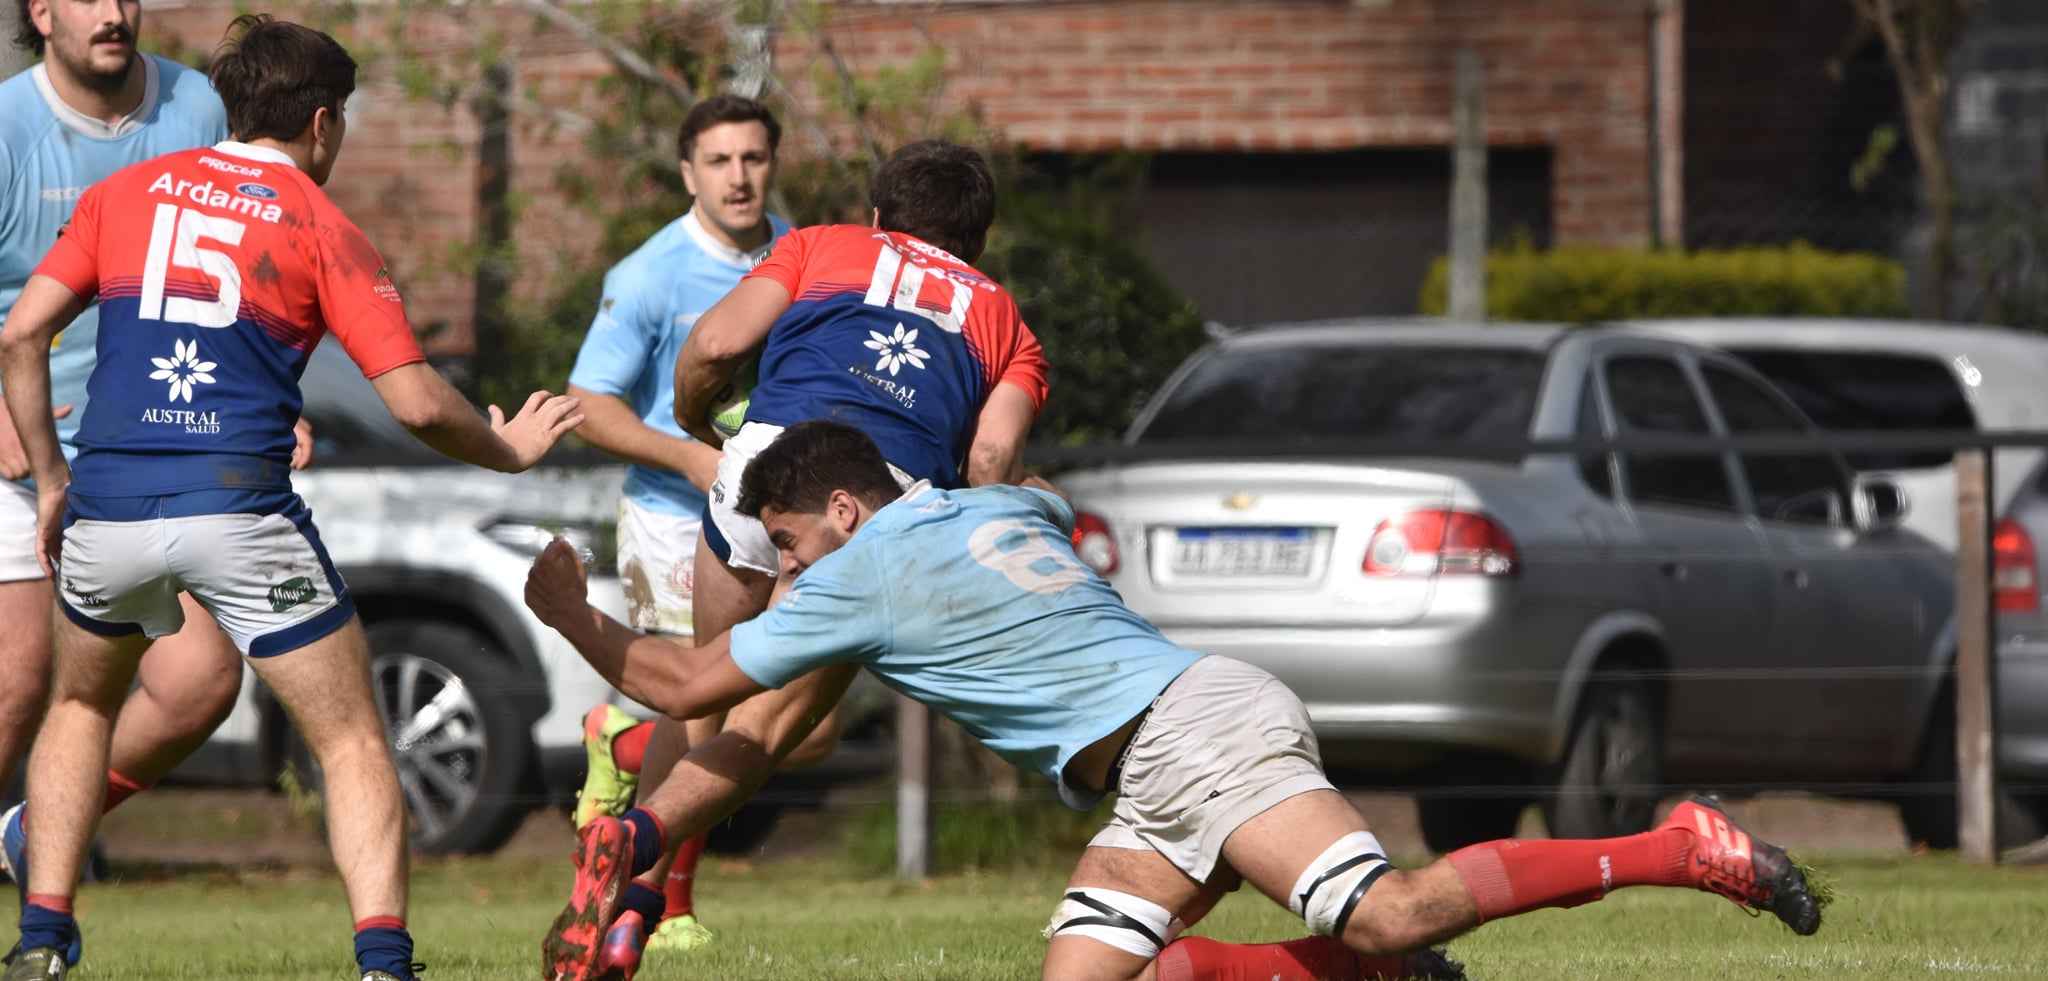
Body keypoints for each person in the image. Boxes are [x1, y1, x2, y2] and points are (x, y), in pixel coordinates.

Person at [525, 419, 1824, 981]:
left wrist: (570, 609)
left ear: (844, 512)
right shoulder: (973, 508)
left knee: (1395, 910)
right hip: (1153, 759)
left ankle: (1677, 843)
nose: (788, 572)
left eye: (792, 543)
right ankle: (1354, 974)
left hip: (1193, 734)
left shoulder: (862, 563)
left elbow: (691, 682)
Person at [0, 15, 585, 981]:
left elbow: (21, 336)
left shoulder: (123, 192)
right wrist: (508, 450)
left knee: (76, 706)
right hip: (238, 512)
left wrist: (53, 479)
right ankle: (383, 963)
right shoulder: (317, 221)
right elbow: (414, 399)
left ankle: (43, 940)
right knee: (352, 733)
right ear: (323, 122)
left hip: (107, 504)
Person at [556, 139, 1050, 978]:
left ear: (880, 217)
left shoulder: (821, 242)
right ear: (980, 240)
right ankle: (638, 884)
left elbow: (715, 344)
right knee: (771, 728)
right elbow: (992, 466)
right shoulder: (1007, 321)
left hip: (760, 469)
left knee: (705, 699)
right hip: (869, 511)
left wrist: (696, 421)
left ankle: (625, 877)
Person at [0, 0, 313, 910]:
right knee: (15, 691)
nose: (115, 13)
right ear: (40, 14)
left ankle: (27, 833)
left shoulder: (196, 113)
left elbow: (261, 262)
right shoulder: (6, 132)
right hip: (24, 443)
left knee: (196, 687)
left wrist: (273, 396)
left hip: (157, 441)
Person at [563, 94, 791, 955]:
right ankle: (661, 907)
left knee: (804, 726)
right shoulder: (652, 272)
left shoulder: (793, 253)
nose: (740, 175)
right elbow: (586, 404)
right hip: (672, 517)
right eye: (721, 160)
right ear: (688, 172)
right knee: (712, 713)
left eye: (754, 157)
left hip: (775, 524)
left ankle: (623, 744)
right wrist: (693, 458)